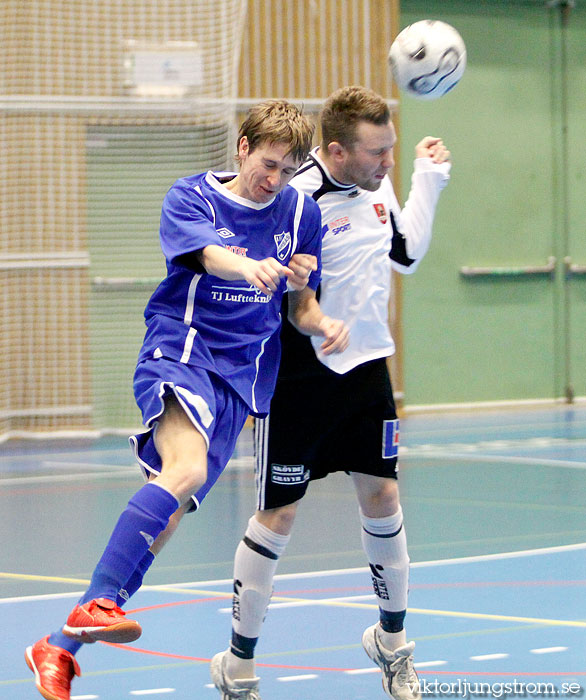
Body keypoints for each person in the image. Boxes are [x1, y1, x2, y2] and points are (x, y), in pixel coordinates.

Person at [24, 99, 349, 700]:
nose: (271, 179)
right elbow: (207, 255)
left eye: (285, 168)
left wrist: (321, 318)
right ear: (243, 147)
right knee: (186, 469)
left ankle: (59, 646)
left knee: (168, 514)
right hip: (183, 349)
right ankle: (93, 605)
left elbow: (300, 307)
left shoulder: (302, 211)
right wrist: (250, 265)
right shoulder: (192, 195)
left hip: (243, 377)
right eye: (266, 162)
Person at [211, 85, 451, 700]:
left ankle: (393, 645)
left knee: (385, 498)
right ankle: (238, 664)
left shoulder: (378, 188)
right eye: (379, 153)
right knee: (279, 514)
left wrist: (429, 178)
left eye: (393, 151)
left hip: (368, 372)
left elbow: (406, 253)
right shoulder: (294, 200)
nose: (387, 163)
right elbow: (268, 290)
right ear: (338, 151)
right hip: (300, 379)